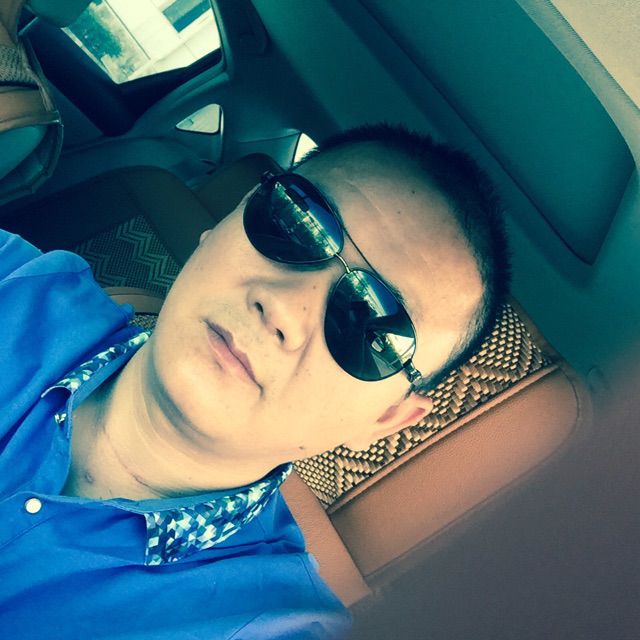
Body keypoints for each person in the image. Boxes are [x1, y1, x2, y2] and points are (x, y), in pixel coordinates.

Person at [0, 123, 510, 638]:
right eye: (295, 223)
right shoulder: (14, 279)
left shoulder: (271, 627)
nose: (283, 306)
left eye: (373, 326)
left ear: (386, 419)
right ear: (224, 221)